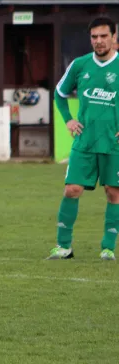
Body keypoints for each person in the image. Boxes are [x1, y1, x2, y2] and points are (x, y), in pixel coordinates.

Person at [48, 16, 119, 261]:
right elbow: (59, 93)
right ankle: (63, 246)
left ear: (114, 37)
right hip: (84, 141)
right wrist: (68, 118)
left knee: (113, 193)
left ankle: (108, 247)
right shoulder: (80, 65)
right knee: (72, 189)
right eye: (94, 37)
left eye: (103, 36)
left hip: (114, 143)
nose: (99, 41)